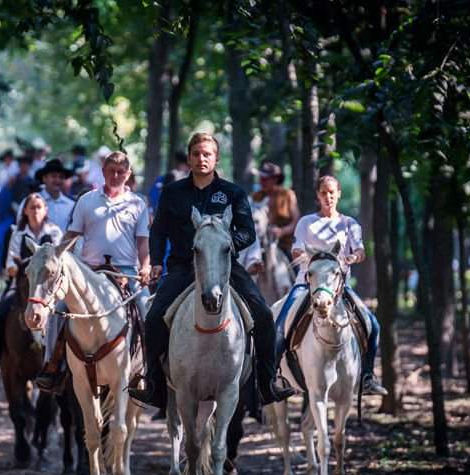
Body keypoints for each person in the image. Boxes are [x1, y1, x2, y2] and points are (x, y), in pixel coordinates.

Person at [128, 132, 293, 408]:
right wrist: (156, 261)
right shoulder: (172, 193)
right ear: (190, 158)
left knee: (263, 315)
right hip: (182, 267)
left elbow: (248, 232)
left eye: (207, 154)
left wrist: (224, 245)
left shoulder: (233, 193)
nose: (201, 159)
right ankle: (153, 385)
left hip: (224, 267)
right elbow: (158, 231)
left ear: (216, 158)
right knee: (155, 317)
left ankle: (267, 384)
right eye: (196, 154)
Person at [35, 151, 151, 391]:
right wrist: (56, 255)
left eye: (121, 172)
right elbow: (72, 234)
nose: (116, 176)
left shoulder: (138, 203)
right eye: (111, 171)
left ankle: (148, 371)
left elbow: (142, 241)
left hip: (126, 271)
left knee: (145, 308)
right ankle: (52, 364)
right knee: (59, 310)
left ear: (128, 174)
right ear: (103, 172)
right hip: (90, 271)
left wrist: (146, 265)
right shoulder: (87, 200)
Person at [275, 174, 388, 395]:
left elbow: (360, 251)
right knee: (279, 325)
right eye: (324, 193)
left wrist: (353, 258)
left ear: (338, 194)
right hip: (306, 284)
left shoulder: (349, 224)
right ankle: (273, 377)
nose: (328, 197)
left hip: (339, 286)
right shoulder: (306, 222)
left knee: (373, 324)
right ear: (318, 195)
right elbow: (296, 249)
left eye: (332, 193)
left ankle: (367, 376)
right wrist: (306, 255)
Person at [0, 193, 63, 386]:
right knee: (0, 315)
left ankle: (66, 369)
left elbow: (60, 261)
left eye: (39, 207)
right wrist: (29, 266)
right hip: (20, 286)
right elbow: (10, 266)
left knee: (68, 319)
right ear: (25, 211)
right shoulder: (18, 233)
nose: (36, 211)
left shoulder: (55, 232)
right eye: (32, 207)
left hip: (48, 290)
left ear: (45, 210)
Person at [251, 161, 300, 257]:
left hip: (285, 245)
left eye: (265, 179)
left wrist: (282, 231)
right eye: (261, 178)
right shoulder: (256, 197)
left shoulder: (287, 195)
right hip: (259, 245)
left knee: (296, 268)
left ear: (275, 179)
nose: (261, 181)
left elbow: (296, 221)